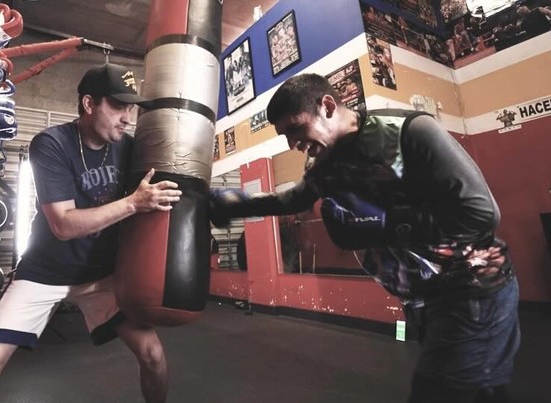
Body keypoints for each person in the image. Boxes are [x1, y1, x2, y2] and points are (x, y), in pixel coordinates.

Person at [208, 73, 520, 403]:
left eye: (296, 128)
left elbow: (482, 213)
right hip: (424, 299)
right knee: (480, 390)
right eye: (285, 136)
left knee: (440, 391)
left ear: (327, 105)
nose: (292, 144)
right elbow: (293, 199)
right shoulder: (326, 165)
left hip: (472, 289)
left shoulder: (408, 133)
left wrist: (387, 224)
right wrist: (239, 203)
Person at [0, 63, 183, 403]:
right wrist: (133, 204)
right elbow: (63, 225)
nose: (127, 117)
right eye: (118, 106)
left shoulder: (129, 148)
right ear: (89, 104)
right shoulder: (52, 144)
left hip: (101, 276)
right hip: (45, 272)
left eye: (131, 108)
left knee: (154, 356)